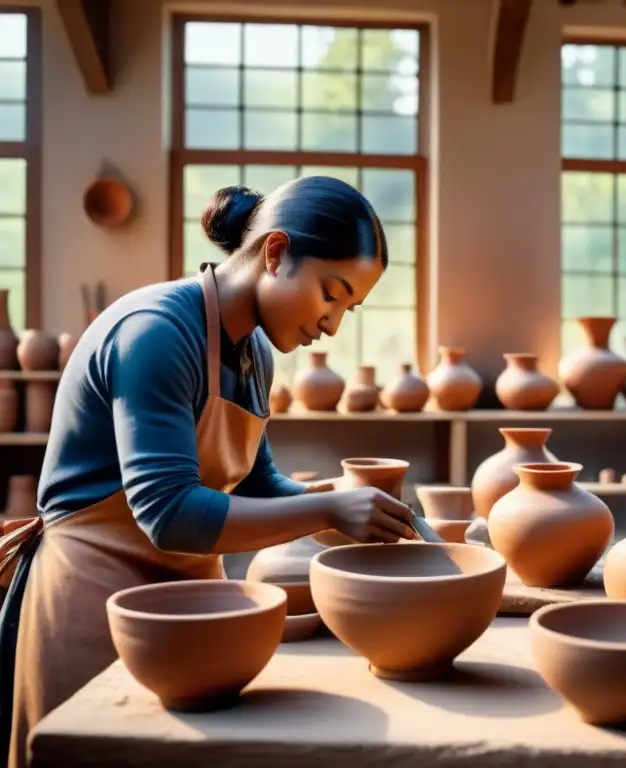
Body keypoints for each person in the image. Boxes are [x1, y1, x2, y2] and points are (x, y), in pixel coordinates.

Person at [0, 175, 418, 767]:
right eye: (331, 293)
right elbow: (169, 515)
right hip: (90, 599)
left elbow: (255, 484)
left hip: (191, 604)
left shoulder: (254, 353)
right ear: (275, 253)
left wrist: (351, 503)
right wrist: (327, 509)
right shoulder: (156, 332)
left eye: (348, 309)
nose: (332, 325)